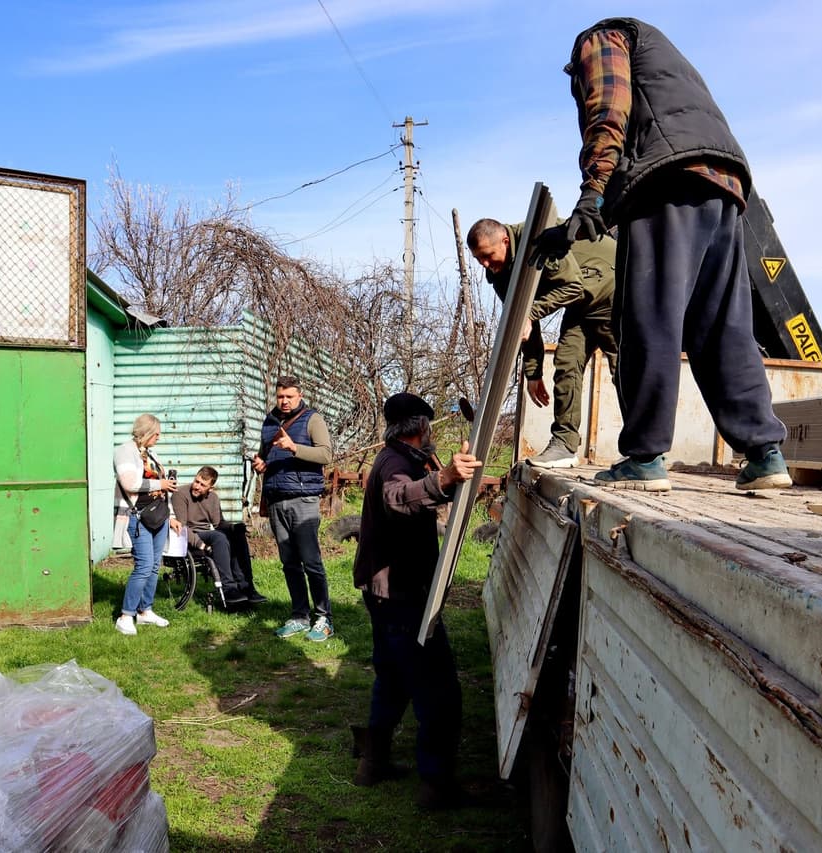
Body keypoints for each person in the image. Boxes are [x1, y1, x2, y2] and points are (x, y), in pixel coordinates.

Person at [535, 17, 792, 492]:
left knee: (648, 318)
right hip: (724, 181)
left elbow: (608, 111)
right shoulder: (665, 54)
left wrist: (592, 191)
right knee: (722, 326)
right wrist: (593, 216)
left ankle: (645, 458)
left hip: (668, 181)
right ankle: (764, 454)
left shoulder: (600, 39)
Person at [350, 392, 482, 810]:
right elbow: (397, 498)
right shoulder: (395, 465)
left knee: (392, 678)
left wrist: (444, 473)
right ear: (421, 427)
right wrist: (443, 480)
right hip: (400, 594)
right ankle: (436, 786)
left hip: (386, 590)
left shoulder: (404, 458)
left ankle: (373, 764)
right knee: (439, 689)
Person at [467, 217, 618, 468]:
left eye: (488, 255)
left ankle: (643, 450)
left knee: (624, 369)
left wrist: (530, 314)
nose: (484, 264)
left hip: (611, 286)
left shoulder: (537, 239)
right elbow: (523, 322)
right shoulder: (500, 272)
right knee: (567, 360)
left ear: (505, 241)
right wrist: (533, 372)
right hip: (581, 301)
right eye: (478, 259)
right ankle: (564, 444)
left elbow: (571, 286)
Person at [252, 376, 334, 641]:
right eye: (280, 396)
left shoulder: (313, 419)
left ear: (299, 395)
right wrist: (261, 463)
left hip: (304, 499)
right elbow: (264, 454)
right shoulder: (269, 422)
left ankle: (324, 618)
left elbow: (325, 455)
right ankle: (300, 616)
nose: (284, 401)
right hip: (277, 498)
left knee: (311, 561)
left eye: (289, 396)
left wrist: (294, 447)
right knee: (289, 563)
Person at [113, 413, 181, 635]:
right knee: (143, 565)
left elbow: (163, 490)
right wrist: (159, 482)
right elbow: (130, 482)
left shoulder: (150, 453)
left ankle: (145, 611)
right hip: (137, 515)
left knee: (153, 565)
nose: (158, 439)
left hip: (158, 515)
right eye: (157, 434)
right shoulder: (125, 451)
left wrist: (170, 515)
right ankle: (125, 615)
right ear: (146, 433)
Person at [170, 466, 267, 608]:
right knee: (219, 537)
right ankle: (229, 588)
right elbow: (182, 527)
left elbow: (218, 523)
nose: (197, 486)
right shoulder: (181, 494)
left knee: (237, 535)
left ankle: (247, 586)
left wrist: (234, 528)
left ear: (211, 488)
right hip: (191, 538)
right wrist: (200, 544)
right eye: (196, 481)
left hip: (208, 535)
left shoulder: (213, 498)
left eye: (202, 485)